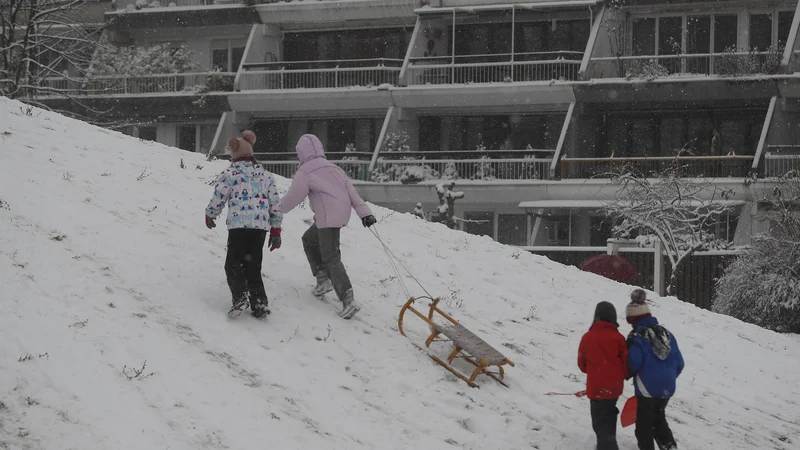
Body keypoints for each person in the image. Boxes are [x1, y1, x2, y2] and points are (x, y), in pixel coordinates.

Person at [280, 134, 376, 319]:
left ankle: (348, 299)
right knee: (309, 240)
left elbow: (293, 197)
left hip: (327, 216)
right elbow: (352, 193)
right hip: (340, 213)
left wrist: (275, 210)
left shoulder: (305, 171)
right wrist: (366, 214)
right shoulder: (335, 169)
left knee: (331, 256)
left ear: (301, 153)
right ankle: (322, 279)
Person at [205, 130, 282, 318]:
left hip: (239, 226)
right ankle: (260, 303)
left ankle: (240, 296)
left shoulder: (229, 174)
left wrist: (210, 214)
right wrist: (276, 230)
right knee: (253, 266)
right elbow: (275, 203)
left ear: (234, 154)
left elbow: (219, 196)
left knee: (233, 264)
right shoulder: (266, 175)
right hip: (260, 228)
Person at [626, 289, 684, 450]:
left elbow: (634, 362)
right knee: (658, 418)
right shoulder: (667, 334)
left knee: (643, 426)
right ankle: (669, 446)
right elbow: (679, 362)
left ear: (633, 319)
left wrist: (626, 373)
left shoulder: (638, 336)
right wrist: (668, 377)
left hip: (647, 388)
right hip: (667, 386)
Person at [578, 301, 628, 450]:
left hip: (596, 387)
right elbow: (626, 362)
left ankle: (606, 446)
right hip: (614, 387)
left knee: (599, 421)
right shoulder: (618, 338)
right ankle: (608, 442)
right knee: (609, 414)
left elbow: (582, 364)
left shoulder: (587, 337)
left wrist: (594, 371)